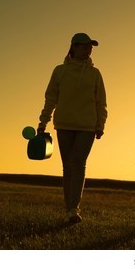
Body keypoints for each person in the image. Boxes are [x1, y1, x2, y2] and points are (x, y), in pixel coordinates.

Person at [37, 33, 108, 224]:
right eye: (85, 46)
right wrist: (43, 121)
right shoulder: (59, 71)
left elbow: (101, 102)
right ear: (74, 47)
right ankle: (69, 209)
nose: (89, 50)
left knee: (78, 163)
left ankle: (74, 209)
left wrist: (101, 124)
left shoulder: (95, 73)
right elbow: (51, 98)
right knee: (68, 167)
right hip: (64, 125)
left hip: (87, 126)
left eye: (90, 47)